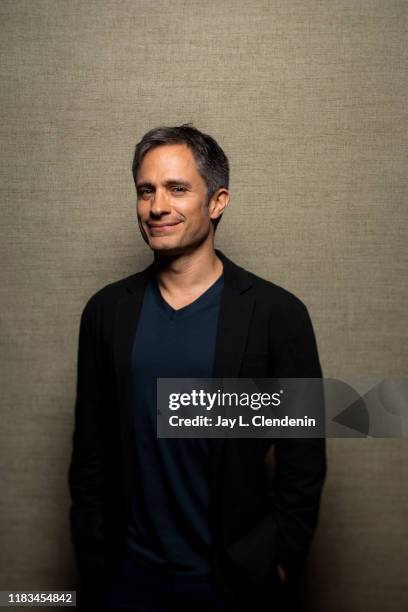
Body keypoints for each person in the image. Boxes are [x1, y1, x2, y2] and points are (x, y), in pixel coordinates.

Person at [68, 124, 326, 611]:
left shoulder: (277, 315)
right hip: (126, 579)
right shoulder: (106, 312)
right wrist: (93, 553)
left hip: (233, 581)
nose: (157, 206)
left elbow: (303, 458)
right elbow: (91, 449)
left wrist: (280, 560)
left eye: (177, 188)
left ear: (217, 201)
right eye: (146, 191)